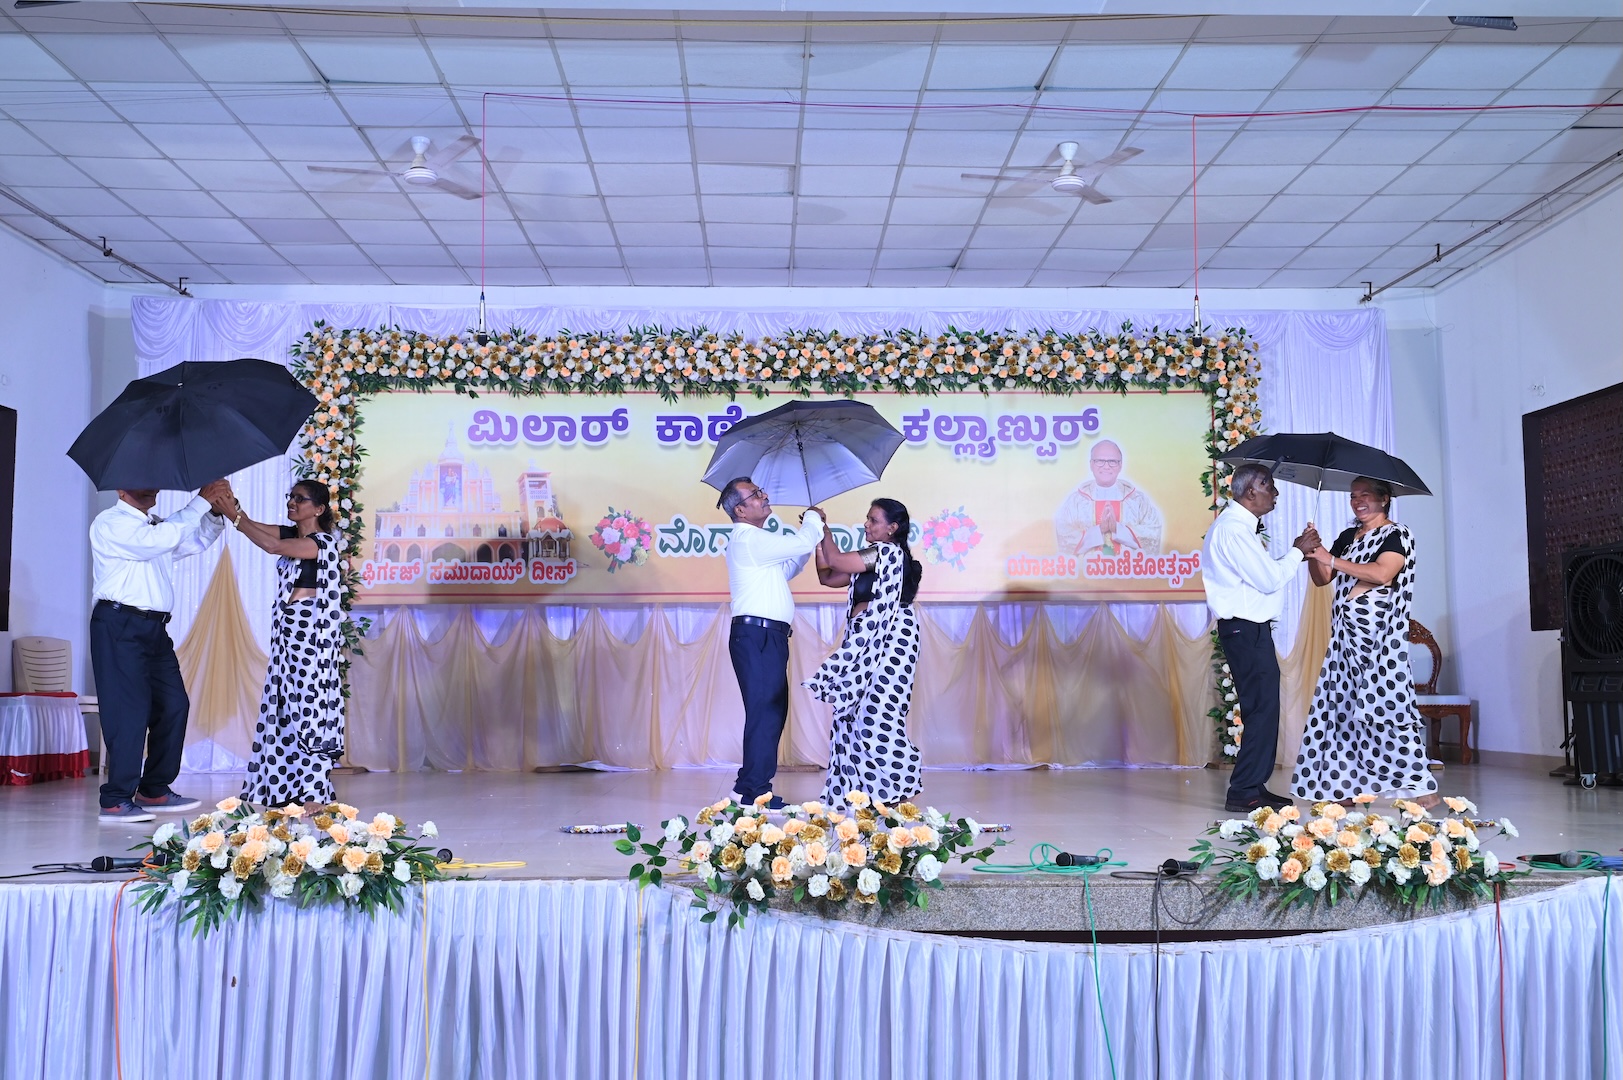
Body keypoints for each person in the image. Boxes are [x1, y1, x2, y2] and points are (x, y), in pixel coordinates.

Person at [1291, 477, 1438, 805]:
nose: (1358, 501)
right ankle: (1343, 786)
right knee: (1343, 708)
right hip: (1345, 634)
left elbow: (1382, 573)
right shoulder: (1348, 537)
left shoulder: (1396, 535)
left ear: (1384, 499)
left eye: (1366, 495)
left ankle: (1421, 788)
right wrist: (1313, 552)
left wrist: (1329, 558)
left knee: (1383, 705)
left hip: (1376, 637)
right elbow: (1323, 579)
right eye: (1353, 496)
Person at [89, 481, 230, 823]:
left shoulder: (155, 527)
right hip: (120, 625)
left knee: (173, 704)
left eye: (153, 482)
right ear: (120, 490)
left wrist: (214, 513)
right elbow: (159, 541)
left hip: (154, 630)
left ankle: (153, 788)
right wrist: (200, 502)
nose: (150, 488)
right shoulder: (111, 522)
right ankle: (115, 799)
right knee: (129, 711)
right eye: (139, 483)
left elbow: (192, 541)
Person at [209, 480, 348, 808]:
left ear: (319, 509)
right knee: (284, 705)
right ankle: (286, 788)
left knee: (309, 707)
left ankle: (314, 791)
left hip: (310, 638)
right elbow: (255, 528)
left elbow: (271, 546)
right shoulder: (292, 535)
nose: (291, 502)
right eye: (290, 497)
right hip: (288, 634)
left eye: (300, 499)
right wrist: (232, 505)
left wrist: (234, 516)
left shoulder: (322, 543)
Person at [1202, 464, 1320, 814]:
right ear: (1250, 491)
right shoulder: (1233, 530)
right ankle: (1243, 790)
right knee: (1261, 709)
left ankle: (1253, 786)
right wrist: (1298, 550)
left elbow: (1262, 579)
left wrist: (1298, 551)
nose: (1276, 493)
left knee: (1264, 709)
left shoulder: (1240, 528)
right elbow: (1269, 580)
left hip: (1249, 629)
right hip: (1245, 629)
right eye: (1269, 485)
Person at [804, 498, 924, 807]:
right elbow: (828, 576)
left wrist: (822, 527)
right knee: (859, 715)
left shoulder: (887, 553)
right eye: (867, 519)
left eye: (873, 520)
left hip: (891, 640)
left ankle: (903, 784)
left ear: (892, 528)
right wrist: (817, 537)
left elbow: (835, 559)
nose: (866, 525)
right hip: (868, 639)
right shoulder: (873, 559)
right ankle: (875, 791)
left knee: (879, 714)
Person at [718, 477, 826, 809]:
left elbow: (788, 566)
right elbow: (802, 541)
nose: (764, 496)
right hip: (758, 636)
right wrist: (813, 519)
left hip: (765, 636)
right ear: (740, 510)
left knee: (770, 713)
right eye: (755, 494)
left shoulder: (755, 542)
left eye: (761, 491)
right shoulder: (748, 537)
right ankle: (753, 791)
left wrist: (809, 538)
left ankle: (748, 788)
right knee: (765, 713)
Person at [1055, 439, 1164, 558]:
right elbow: (1064, 537)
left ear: (1120, 465)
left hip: (1128, 568)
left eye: (1112, 461)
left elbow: (1153, 535)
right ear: (1091, 464)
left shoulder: (1137, 500)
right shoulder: (1076, 501)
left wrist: (1117, 529)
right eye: (1100, 461)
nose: (1106, 466)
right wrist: (1099, 530)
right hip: (1087, 568)